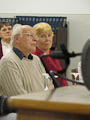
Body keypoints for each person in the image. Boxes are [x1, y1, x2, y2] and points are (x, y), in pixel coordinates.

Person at [0, 24, 54, 97]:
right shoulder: (8, 62)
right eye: (30, 35)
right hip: (28, 107)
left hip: (42, 106)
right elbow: (19, 97)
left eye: (35, 36)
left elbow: (49, 86)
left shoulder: (36, 59)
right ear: (17, 39)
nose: (35, 39)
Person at [33, 22, 68, 87]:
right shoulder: (34, 56)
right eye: (43, 36)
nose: (47, 39)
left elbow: (61, 78)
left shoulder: (52, 55)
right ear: (35, 39)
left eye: (49, 35)